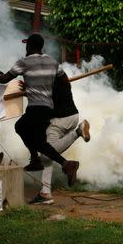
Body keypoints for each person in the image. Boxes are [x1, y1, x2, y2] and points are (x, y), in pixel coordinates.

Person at [0, 33, 81, 186]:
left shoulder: (24, 62)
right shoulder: (52, 62)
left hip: (35, 108)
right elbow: (65, 81)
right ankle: (41, 160)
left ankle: (62, 163)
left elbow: (5, 78)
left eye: (26, 45)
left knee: (25, 130)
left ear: (29, 46)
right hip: (47, 108)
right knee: (36, 139)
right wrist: (43, 86)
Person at [29, 74, 92, 204]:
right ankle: (45, 193)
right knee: (47, 153)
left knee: (46, 153)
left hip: (59, 121)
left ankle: (78, 132)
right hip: (72, 116)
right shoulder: (59, 80)